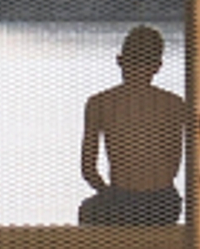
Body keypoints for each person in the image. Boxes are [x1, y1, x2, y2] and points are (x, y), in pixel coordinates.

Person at [76, 25, 190, 227]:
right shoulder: (175, 104)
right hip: (163, 204)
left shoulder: (99, 103)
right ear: (158, 66)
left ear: (119, 60)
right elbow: (175, 164)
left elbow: (88, 169)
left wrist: (107, 192)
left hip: (121, 202)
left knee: (87, 210)